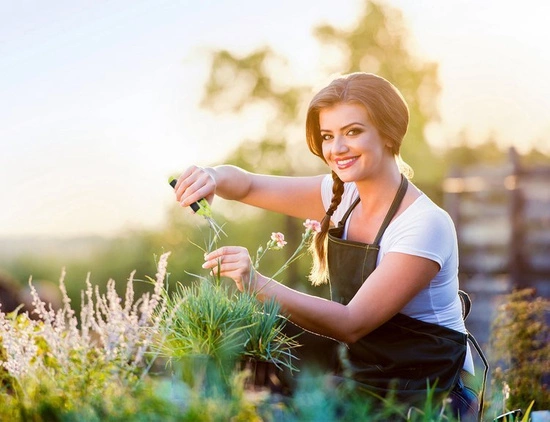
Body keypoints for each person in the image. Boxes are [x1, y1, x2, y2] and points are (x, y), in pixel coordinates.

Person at [173, 72, 480, 420]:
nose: (337, 148)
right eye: (328, 136)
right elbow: (245, 186)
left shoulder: (424, 224)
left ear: (388, 133)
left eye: (353, 132)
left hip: (425, 392)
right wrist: (212, 176)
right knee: (247, 362)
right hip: (362, 370)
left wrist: (254, 282)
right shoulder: (343, 198)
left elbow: (352, 322)